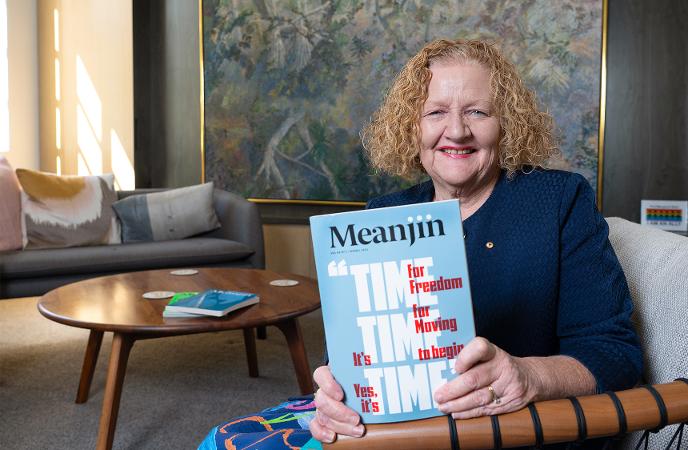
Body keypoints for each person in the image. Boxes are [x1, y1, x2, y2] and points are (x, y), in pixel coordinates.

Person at [199, 39, 642, 450]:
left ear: (507, 122)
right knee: (222, 440)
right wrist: (334, 392)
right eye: (435, 113)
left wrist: (528, 375)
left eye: (477, 112)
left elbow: (615, 354)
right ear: (411, 126)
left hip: (507, 430)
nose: (456, 131)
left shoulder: (559, 201)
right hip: (387, 431)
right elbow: (353, 354)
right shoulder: (382, 213)